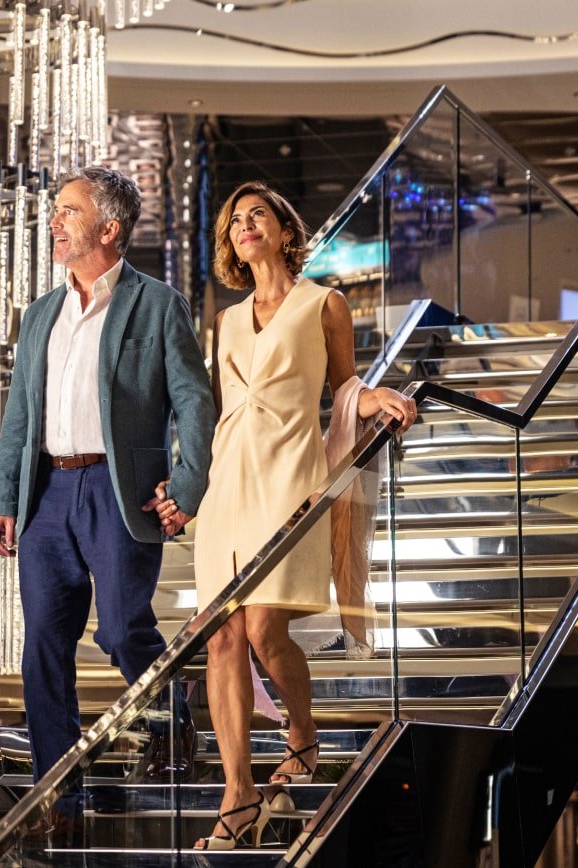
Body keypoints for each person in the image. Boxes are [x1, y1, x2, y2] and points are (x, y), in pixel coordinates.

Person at [152, 182, 416, 850]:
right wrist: (185, 485)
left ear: (282, 229)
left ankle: (301, 734)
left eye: (256, 215)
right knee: (220, 638)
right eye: (234, 220)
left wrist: (376, 392)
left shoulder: (322, 302)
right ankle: (236, 794)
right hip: (226, 484)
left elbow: (342, 389)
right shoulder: (227, 318)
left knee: (266, 629)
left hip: (288, 477)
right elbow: (212, 411)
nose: (244, 226)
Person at [0, 166, 216, 790]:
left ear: (109, 228)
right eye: (55, 211)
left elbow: (194, 402)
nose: (54, 221)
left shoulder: (158, 304)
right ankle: (56, 786)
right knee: (43, 647)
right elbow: (18, 418)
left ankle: (174, 716)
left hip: (119, 492)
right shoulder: (39, 316)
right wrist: (3, 497)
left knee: (120, 630)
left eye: (68, 211)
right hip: (46, 497)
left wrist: (189, 485)